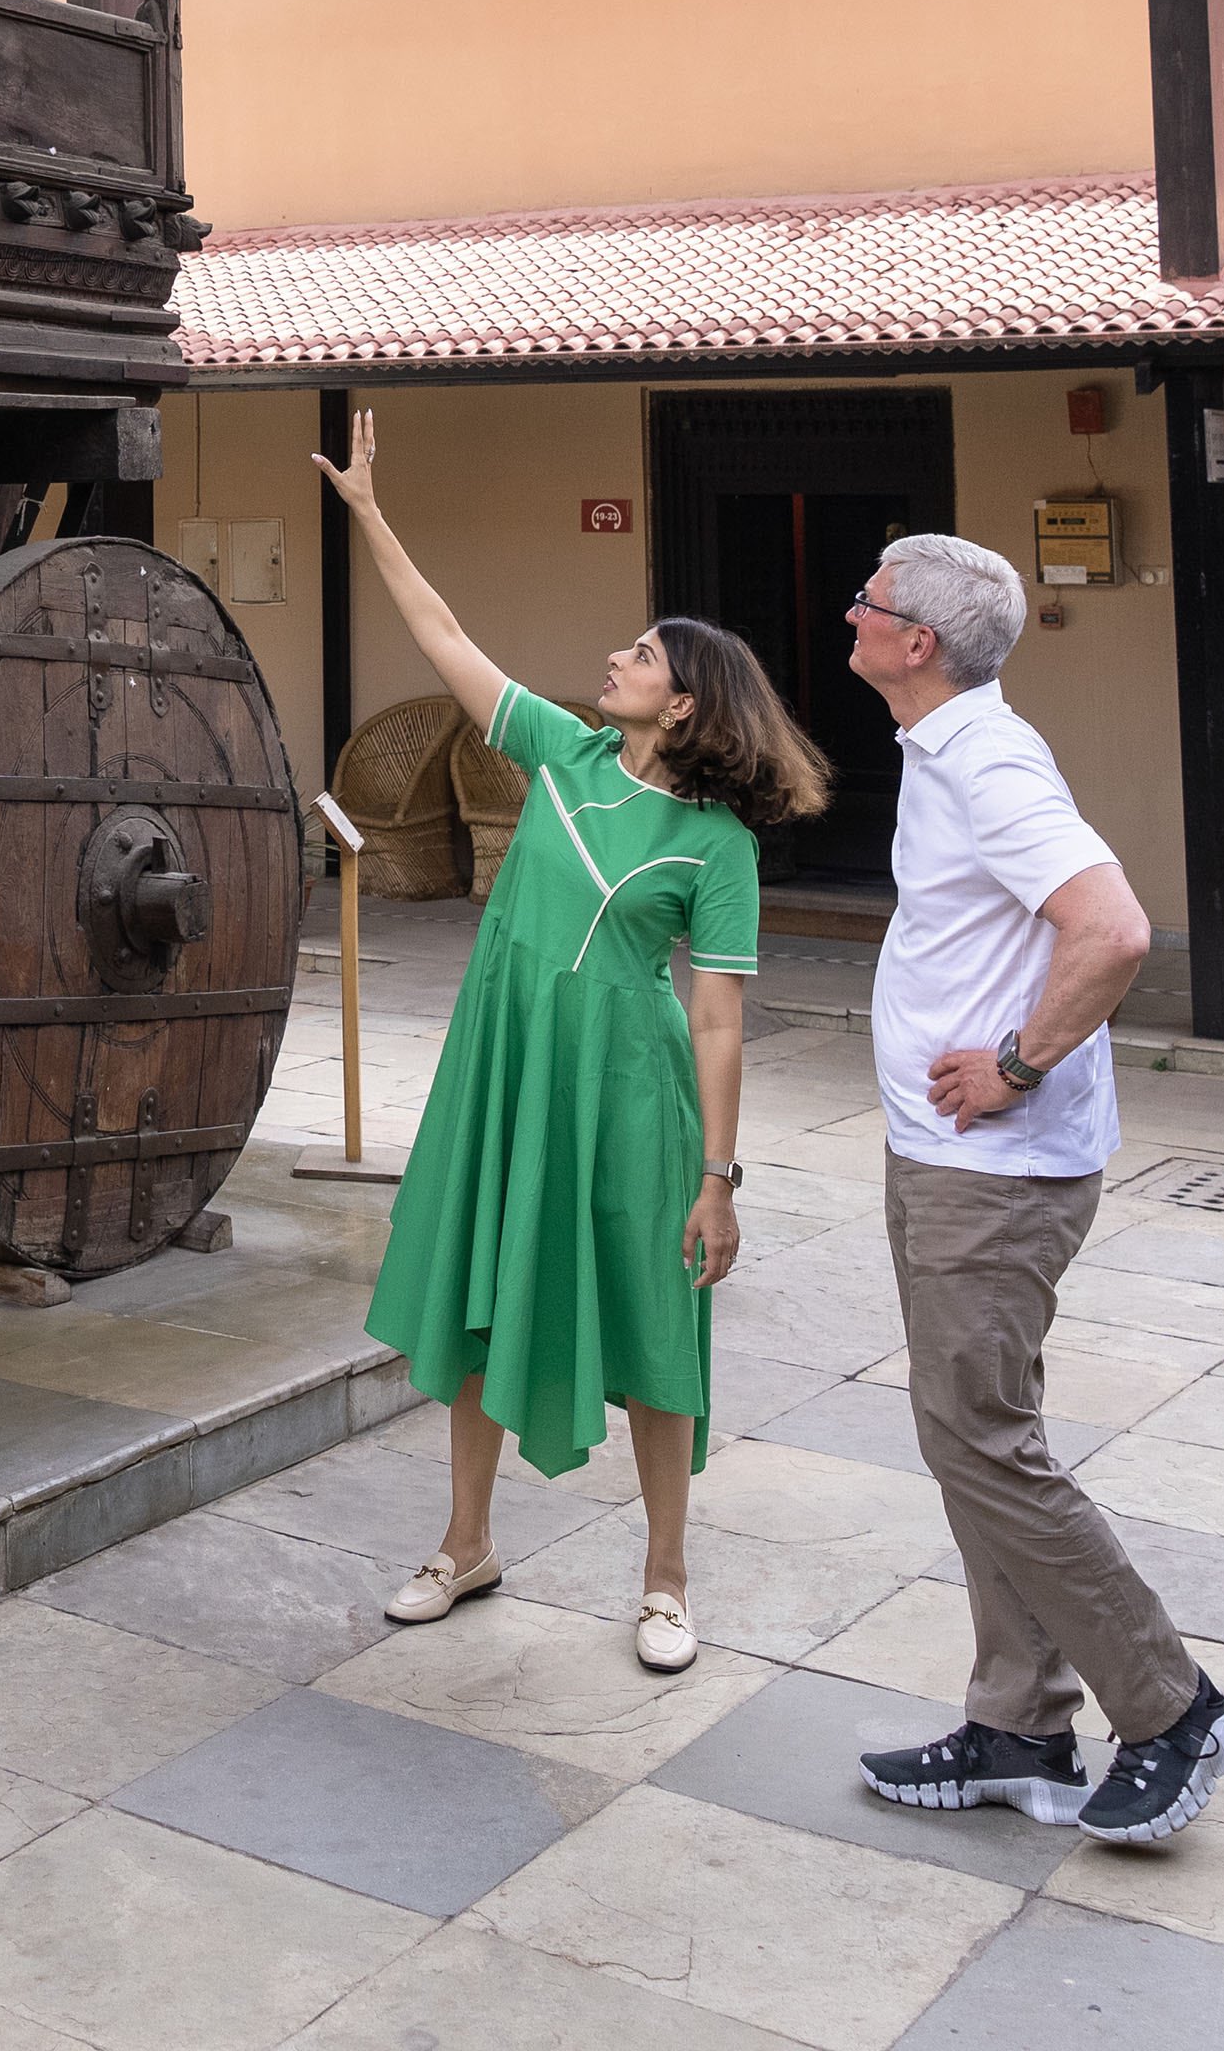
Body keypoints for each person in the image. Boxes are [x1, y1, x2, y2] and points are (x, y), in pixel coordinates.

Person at [316, 415, 829, 1673]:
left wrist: (718, 1177)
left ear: (688, 699)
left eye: (641, 653)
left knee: (658, 1321)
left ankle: (663, 1581)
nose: (616, 655)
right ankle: (465, 1544)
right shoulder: (562, 750)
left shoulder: (720, 846)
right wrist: (370, 513)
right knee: (490, 1296)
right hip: (508, 1069)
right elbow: (445, 638)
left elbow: (715, 1014)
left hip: (626, 1089)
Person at [841, 534, 1224, 1844]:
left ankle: (1169, 1708)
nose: (849, 608)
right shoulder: (940, 749)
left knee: (983, 1443)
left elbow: (1111, 926)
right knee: (963, 1435)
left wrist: (1017, 1062)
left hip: (993, 1173)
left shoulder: (986, 758)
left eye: (869, 598)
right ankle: (1017, 1723)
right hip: (946, 1160)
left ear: (914, 643)